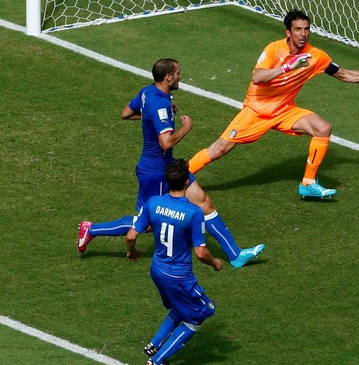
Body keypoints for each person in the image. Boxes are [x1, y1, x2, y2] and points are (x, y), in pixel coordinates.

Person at [189, 9, 359, 198]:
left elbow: (344, 75)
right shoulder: (274, 49)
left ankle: (308, 183)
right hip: (256, 111)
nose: (303, 34)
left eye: (306, 29)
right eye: (298, 29)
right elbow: (258, 78)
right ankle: (176, 178)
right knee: (219, 150)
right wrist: (288, 68)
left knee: (322, 128)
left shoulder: (316, 56)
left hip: (284, 110)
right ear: (288, 33)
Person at [77, 58, 264, 268]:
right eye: (177, 73)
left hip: (168, 165)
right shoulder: (159, 104)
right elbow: (165, 142)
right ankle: (91, 229)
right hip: (155, 172)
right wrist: (186, 127)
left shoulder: (147, 92)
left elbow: (126, 113)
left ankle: (235, 254)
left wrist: (152, 117)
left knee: (204, 203)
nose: (180, 76)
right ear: (168, 77)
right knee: (146, 225)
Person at [126, 159, 222, 365]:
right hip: (180, 276)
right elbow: (201, 252)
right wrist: (214, 262)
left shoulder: (153, 202)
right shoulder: (194, 213)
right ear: (187, 182)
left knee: (180, 306)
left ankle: (154, 344)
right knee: (203, 312)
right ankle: (157, 361)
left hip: (157, 270)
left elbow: (131, 236)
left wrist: (131, 251)